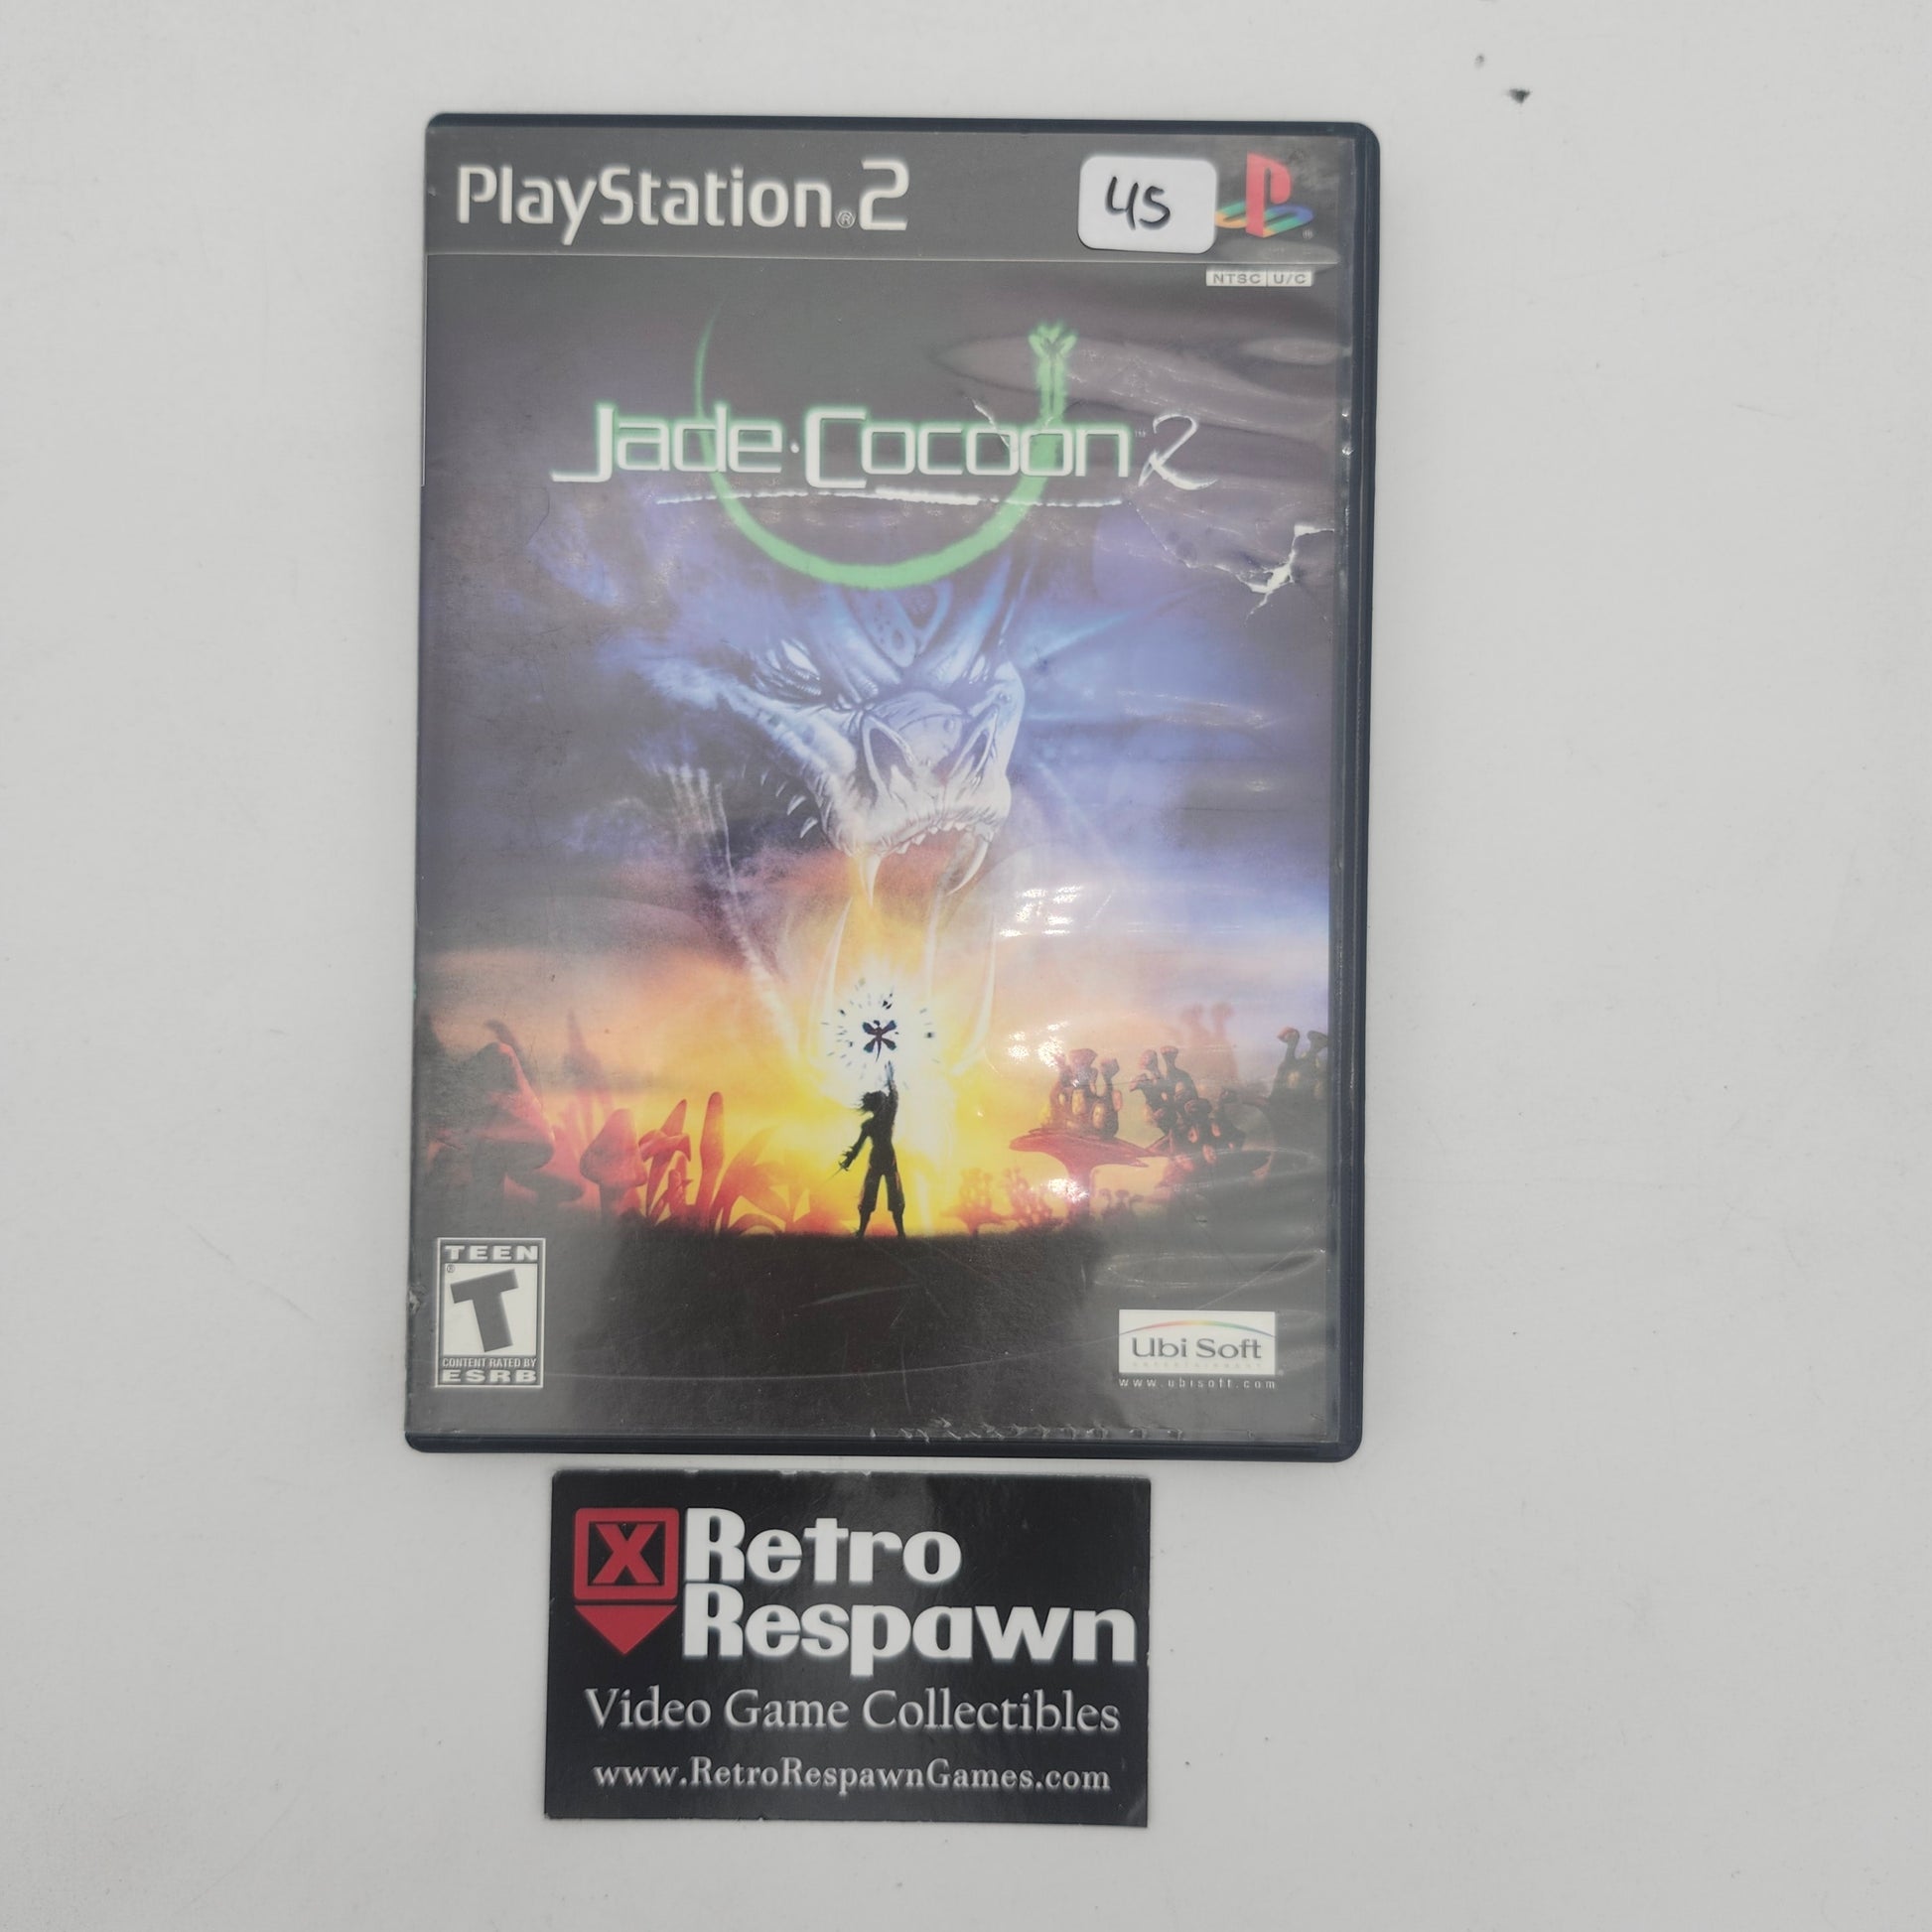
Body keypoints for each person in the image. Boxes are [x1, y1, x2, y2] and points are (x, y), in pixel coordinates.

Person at [840, 1061, 905, 1236]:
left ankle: (862, 1232)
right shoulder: (886, 1119)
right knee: (893, 1194)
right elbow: (894, 1098)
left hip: (877, 1158)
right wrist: (891, 1080)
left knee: (870, 1194)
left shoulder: (869, 1124)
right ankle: (900, 1233)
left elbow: (858, 1146)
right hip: (887, 1156)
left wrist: (849, 1159)